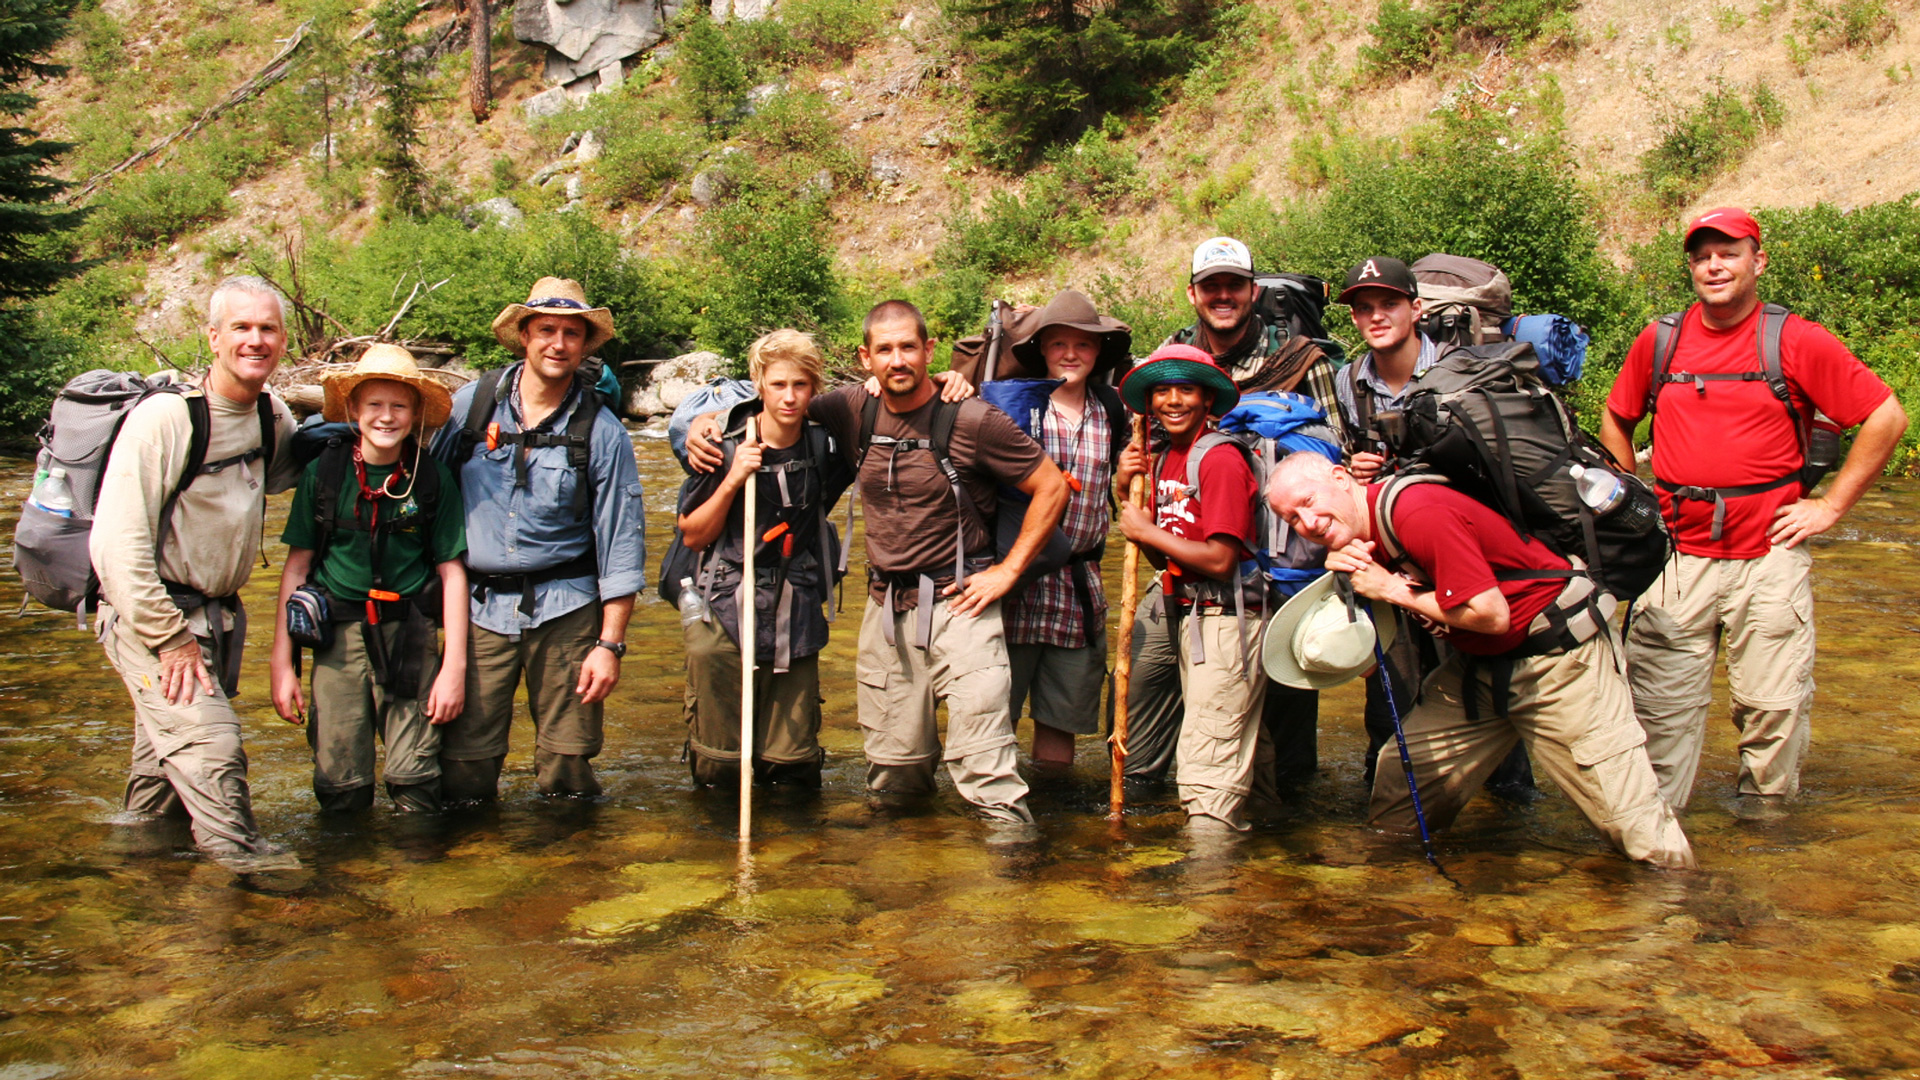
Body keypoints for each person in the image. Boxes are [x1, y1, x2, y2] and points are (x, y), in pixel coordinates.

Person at [687, 301, 1069, 824]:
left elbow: (1050, 485)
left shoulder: (974, 417)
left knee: (988, 775)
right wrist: (699, 423)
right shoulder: (849, 408)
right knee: (894, 778)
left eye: (908, 347)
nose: (897, 360)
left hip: (962, 608)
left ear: (929, 350)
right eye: (884, 349)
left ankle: (1004, 893)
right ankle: (903, 891)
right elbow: (771, 405)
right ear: (865, 357)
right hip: (885, 609)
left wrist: (1008, 570)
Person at [1598, 207, 1907, 815]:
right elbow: (1616, 415)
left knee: (1773, 710)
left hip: (1770, 554)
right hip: (1676, 557)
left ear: (1757, 261)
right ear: (1691, 267)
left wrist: (1830, 505)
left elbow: (1886, 416)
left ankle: (1765, 845)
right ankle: (1658, 848)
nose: (1714, 265)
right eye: (1702, 256)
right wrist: (1628, 494)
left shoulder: (1797, 339)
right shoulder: (1661, 339)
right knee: (1657, 717)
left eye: (1728, 252)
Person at [1264, 452, 1696, 868]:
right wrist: (1345, 574)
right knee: (1401, 790)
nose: (1308, 523)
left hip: (1558, 658)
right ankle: (1391, 888)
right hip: (1479, 667)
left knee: (1634, 825)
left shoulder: (1416, 511)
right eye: (1292, 519)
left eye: (1308, 502)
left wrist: (1391, 590)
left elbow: (1490, 615)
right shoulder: (1361, 534)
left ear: (1342, 479)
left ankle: (1679, 910)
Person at [91, 276, 301, 869]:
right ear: (213, 337)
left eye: (267, 328)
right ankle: (253, 873)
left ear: (283, 339)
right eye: (241, 327)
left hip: (217, 619)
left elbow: (291, 480)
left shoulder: (271, 414)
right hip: (154, 621)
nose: (255, 340)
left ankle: (136, 875)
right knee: (212, 749)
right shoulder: (165, 419)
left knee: (162, 773)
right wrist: (170, 640)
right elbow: (114, 546)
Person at [1126, 237, 1346, 789]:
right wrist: (1129, 471)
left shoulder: (1300, 359)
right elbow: (1156, 458)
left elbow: (1337, 452)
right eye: (1210, 286)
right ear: (1193, 294)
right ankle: (1145, 795)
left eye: (1233, 285)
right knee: (1142, 681)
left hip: (1285, 560)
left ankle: (1284, 829)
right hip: (1183, 554)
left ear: (1253, 291)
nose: (1222, 296)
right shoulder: (1169, 357)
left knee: (1287, 714)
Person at [431, 278, 647, 801]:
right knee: (464, 768)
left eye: (571, 333)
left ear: (584, 345)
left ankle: (571, 875)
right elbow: (427, 498)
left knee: (567, 768)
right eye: (546, 329)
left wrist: (609, 645)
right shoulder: (469, 406)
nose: (558, 343)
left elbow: (622, 542)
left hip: (568, 612)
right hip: (476, 613)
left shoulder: (603, 429)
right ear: (524, 336)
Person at [1332, 256, 1535, 797]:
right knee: (1390, 700)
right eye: (1363, 308)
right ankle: (1394, 808)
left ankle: (1509, 815)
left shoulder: (1464, 369)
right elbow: (1351, 463)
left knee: (1484, 693)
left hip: (1461, 552)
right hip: (1392, 558)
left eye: (1388, 304)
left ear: (1416, 308)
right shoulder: (1349, 380)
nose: (1375, 317)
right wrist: (1358, 468)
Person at [268, 345, 469, 813]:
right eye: (374, 405)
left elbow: (451, 572)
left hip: (411, 637)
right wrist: (284, 664)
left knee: (415, 781)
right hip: (336, 639)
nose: (386, 417)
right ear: (354, 410)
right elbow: (296, 568)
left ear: (416, 414)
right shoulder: (324, 474)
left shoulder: (433, 478)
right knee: (340, 786)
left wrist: (453, 668)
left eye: (399, 405)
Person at [672, 329, 853, 790]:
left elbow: (887, 412)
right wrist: (733, 478)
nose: (789, 397)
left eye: (799, 385)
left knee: (792, 769)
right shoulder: (725, 443)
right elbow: (692, 535)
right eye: (778, 385)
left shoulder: (824, 445)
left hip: (796, 613)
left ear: (814, 388)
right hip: (724, 609)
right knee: (721, 769)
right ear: (758, 383)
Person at [1112, 345, 1271, 831]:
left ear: (1207, 400)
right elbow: (1165, 552)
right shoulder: (1163, 460)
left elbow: (1221, 560)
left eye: (1186, 390)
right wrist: (1125, 489)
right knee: (1238, 751)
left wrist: (1144, 531)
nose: (1172, 401)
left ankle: (1209, 883)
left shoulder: (1220, 459)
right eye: (1162, 390)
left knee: (1207, 769)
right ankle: (1263, 868)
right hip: (1189, 613)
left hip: (1227, 619)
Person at [1000, 289, 1131, 770]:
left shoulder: (1115, 412)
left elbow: (1128, 480)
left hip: (1079, 590)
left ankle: (1053, 823)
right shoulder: (1014, 410)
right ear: (1042, 352)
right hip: (1015, 584)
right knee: (996, 719)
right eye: (1058, 344)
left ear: (1098, 353)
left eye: (1083, 344)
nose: (1071, 354)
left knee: (1062, 724)